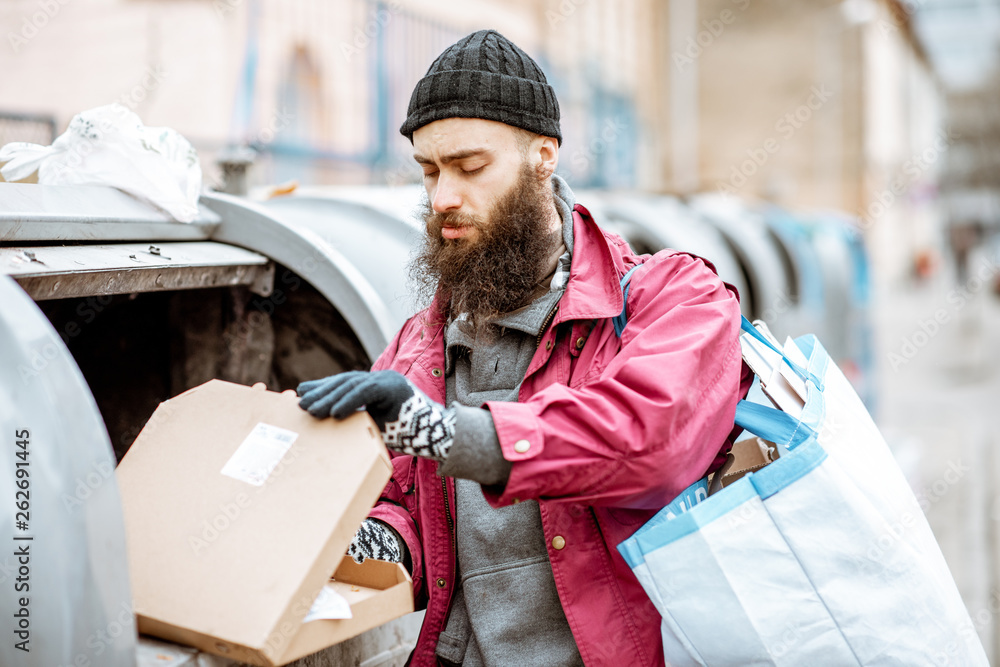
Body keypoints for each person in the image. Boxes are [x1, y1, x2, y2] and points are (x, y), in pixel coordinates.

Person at [297, 29, 751, 667]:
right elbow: (408, 507)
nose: (441, 198)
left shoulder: (672, 296)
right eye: (429, 172)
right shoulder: (421, 342)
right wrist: (379, 542)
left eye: (469, 166)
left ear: (544, 156)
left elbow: (649, 441)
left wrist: (442, 433)